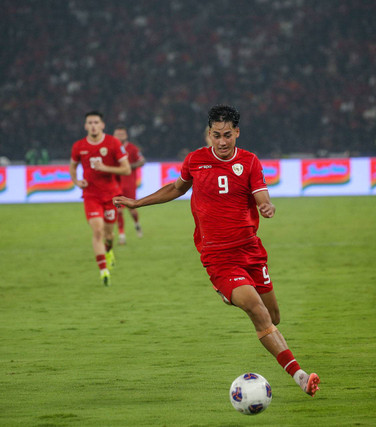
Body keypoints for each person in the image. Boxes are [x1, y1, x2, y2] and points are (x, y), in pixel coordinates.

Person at [113, 105, 320, 397]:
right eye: (215, 135)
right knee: (258, 312)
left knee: (274, 317)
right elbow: (176, 188)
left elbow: (260, 191)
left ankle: (231, 295)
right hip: (219, 257)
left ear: (236, 132)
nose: (221, 142)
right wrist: (137, 203)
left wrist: (265, 204)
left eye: (227, 135)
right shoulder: (196, 160)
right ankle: (299, 375)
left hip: (250, 250)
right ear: (208, 133)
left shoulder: (249, 162)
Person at [70, 111, 131, 286]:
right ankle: (103, 270)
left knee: (108, 234)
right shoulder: (79, 146)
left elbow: (126, 169)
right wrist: (75, 181)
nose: (93, 126)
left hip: (111, 196)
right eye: (90, 123)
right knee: (97, 231)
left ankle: (109, 250)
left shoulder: (113, 143)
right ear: (85, 126)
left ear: (102, 125)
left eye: (96, 122)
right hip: (90, 195)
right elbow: (72, 166)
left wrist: (105, 168)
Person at [113, 125, 146, 245]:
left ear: (126, 135)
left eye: (122, 134)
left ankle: (137, 223)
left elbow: (142, 161)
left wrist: (129, 167)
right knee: (119, 210)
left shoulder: (132, 148)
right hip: (115, 185)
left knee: (132, 210)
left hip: (129, 184)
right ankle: (122, 236)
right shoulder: (111, 148)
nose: (119, 136)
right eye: (117, 134)